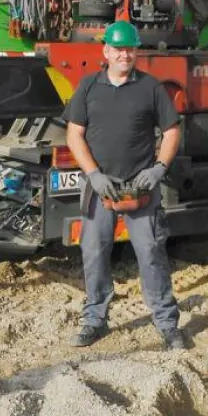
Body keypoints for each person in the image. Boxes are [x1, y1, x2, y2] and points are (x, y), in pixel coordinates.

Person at [62, 19, 188, 350]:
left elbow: (172, 130)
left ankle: (166, 323)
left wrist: (159, 168)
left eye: (130, 49)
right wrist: (93, 174)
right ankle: (95, 320)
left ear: (136, 52)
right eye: (118, 49)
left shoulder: (150, 88)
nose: (124, 54)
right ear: (106, 51)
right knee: (93, 251)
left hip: (140, 187)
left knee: (150, 251)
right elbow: (74, 134)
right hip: (99, 187)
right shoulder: (88, 87)